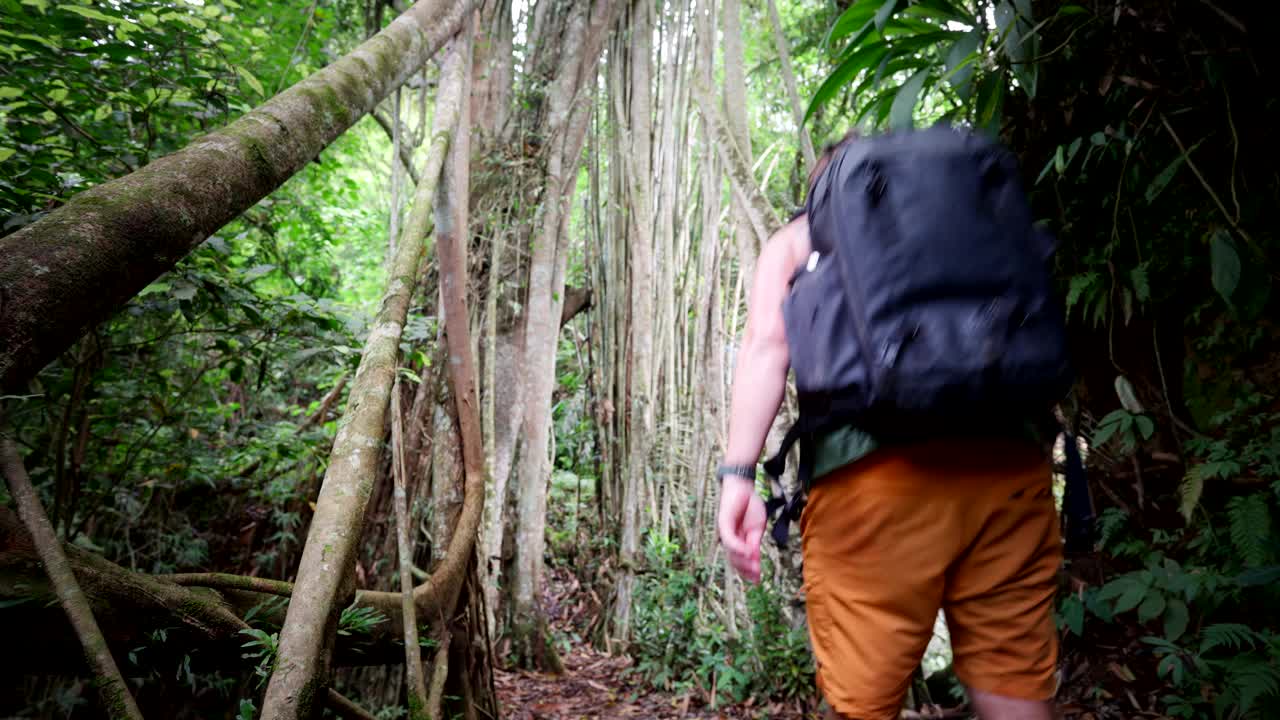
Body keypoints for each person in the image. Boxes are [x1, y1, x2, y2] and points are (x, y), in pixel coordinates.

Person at [715, 133, 1064, 720]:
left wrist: (738, 475)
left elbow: (767, 346)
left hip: (873, 485)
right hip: (1011, 469)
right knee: (1015, 690)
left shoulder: (801, 236)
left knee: (865, 704)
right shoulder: (982, 225)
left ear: (826, 188)